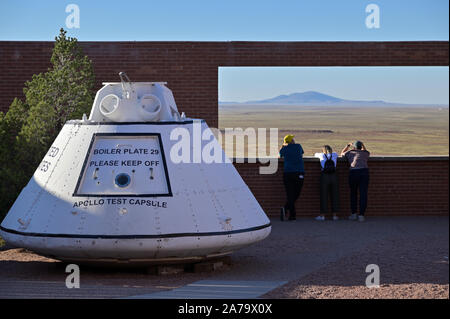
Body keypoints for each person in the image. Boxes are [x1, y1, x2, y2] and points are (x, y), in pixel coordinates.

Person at [340, 140, 370, 222]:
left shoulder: (350, 152)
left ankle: (353, 214)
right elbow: (365, 150)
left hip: (354, 173)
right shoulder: (365, 153)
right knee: (363, 194)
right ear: (361, 147)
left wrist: (347, 145)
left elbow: (342, 153)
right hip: (364, 172)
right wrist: (363, 145)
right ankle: (361, 215)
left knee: (353, 193)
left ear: (354, 147)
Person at [279, 134, 305, 221]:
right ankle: (291, 214)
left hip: (288, 173)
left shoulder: (284, 149)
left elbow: (280, 155)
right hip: (299, 173)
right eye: (293, 139)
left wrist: (283, 146)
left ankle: (286, 209)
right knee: (296, 194)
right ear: (291, 141)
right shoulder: (298, 146)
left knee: (290, 194)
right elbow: (301, 153)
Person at [314, 145, 339, 221]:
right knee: (334, 195)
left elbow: (315, 154)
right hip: (334, 176)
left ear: (323, 150)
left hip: (324, 176)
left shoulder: (321, 155)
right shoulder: (334, 154)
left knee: (323, 195)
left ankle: (322, 216)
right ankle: (334, 215)